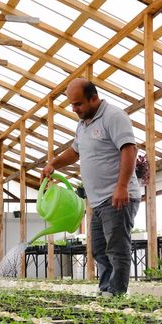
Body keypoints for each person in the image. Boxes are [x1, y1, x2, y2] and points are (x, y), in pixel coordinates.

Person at [42, 79, 139, 297]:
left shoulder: (113, 116)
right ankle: (106, 289)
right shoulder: (83, 124)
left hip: (117, 197)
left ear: (94, 98)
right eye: (72, 105)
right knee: (98, 249)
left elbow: (129, 150)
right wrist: (53, 164)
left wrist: (121, 186)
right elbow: (74, 151)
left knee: (116, 247)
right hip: (98, 201)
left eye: (78, 104)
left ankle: (116, 294)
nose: (75, 109)